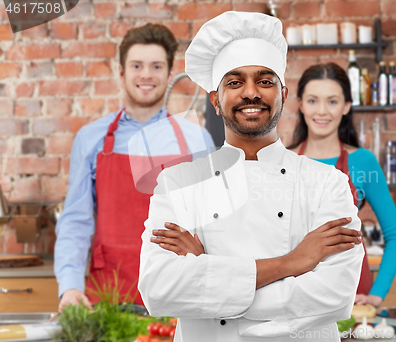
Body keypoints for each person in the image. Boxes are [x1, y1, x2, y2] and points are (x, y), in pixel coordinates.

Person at [139, 11, 364, 342]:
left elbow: (335, 298)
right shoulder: (178, 183)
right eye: (234, 82)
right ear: (216, 100)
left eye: (265, 80)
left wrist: (209, 272)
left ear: (283, 95)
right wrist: (291, 263)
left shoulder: (327, 183)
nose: (251, 93)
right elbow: (158, 291)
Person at [54, 23, 215, 312]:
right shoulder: (91, 139)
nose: (146, 74)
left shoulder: (196, 139)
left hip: (176, 292)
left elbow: (216, 223)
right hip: (107, 295)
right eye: (137, 65)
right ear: (121, 72)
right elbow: (76, 221)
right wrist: (70, 286)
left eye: (156, 66)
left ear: (168, 75)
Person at [288, 63, 396, 308]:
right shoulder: (281, 161)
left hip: (350, 292)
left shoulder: (363, 161)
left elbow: (395, 235)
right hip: (293, 292)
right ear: (300, 104)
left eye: (332, 101)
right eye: (312, 101)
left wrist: (377, 294)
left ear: (346, 106)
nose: (322, 111)